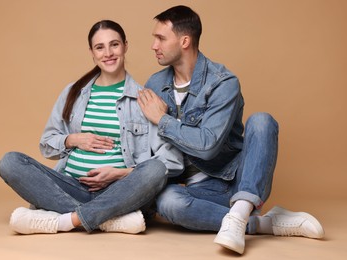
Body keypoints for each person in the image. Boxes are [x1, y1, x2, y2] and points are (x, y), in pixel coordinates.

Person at [137, 5, 324, 255]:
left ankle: (242, 206)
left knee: (262, 121)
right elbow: (150, 145)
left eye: (160, 38)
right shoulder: (155, 84)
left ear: (184, 41)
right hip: (198, 192)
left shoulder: (223, 82)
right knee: (168, 202)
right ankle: (257, 221)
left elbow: (207, 146)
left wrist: (163, 120)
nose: (153, 46)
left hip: (236, 178)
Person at [0, 20, 183, 235]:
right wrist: (72, 139)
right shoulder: (73, 93)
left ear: (125, 46)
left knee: (156, 169)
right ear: (92, 53)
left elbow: (172, 161)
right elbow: (47, 146)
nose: (108, 53)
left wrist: (121, 174)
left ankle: (67, 220)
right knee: (10, 162)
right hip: (71, 186)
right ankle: (106, 219)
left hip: (121, 193)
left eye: (114, 44)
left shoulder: (144, 100)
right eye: (100, 47)